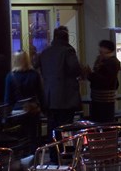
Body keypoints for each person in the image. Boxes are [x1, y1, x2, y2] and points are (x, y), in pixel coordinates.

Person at [38, 25, 82, 156]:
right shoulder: (68, 51)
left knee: (52, 126)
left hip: (49, 97)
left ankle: (53, 153)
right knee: (66, 126)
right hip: (66, 97)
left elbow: (39, 69)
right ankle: (67, 152)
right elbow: (75, 69)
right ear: (66, 37)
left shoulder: (45, 52)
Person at [4, 50, 44, 153]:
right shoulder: (34, 74)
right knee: (32, 137)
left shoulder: (10, 76)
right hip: (32, 110)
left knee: (19, 139)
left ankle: (21, 159)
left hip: (17, 112)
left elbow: (8, 100)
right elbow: (40, 94)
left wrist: (5, 117)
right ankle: (33, 160)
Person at [84, 40, 121, 123]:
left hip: (106, 99)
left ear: (107, 49)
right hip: (97, 97)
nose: (100, 50)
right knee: (97, 121)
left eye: (102, 48)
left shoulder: (112, 62)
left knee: (105, 122)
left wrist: (91, 74)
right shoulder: (101, 60)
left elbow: (105, 80)